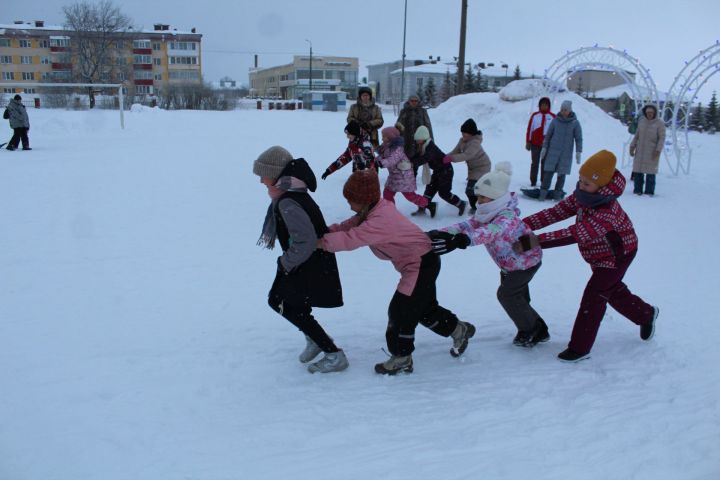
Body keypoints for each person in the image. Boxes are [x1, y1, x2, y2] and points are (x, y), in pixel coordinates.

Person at [318, 170, 475, 375]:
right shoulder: (373, 210)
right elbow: (349, 226)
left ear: (364, 200)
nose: (349, 205)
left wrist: (320, 243)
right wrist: (326, 231)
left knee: (401, 312)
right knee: (423, 309)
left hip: (419, 264)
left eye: (352, 200)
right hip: (420, 262)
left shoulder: (379, 220)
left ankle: (401, 357)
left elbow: (351, 239)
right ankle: (458, 330)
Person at [516, 150, 659, 362]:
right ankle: (646, 314)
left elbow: (572, 234)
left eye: (586, 183)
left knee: (595, 296)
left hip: (617, 256)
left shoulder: (606, 212)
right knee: (611, 290)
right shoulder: (585, 195)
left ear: (602, 186)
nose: (581, 186)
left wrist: (527, 242)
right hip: (598, 254)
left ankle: (579, 348)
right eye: (580, 180)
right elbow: (556, 213)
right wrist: (519, 227)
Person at [428, 162, 548, 347]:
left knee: (507, 295)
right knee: (518, 297)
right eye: (479, 197)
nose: (479, 201)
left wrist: (464, 241)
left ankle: (534, 330)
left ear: (496, 198)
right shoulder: (487, 212)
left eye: (484, 197)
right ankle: (533, 325)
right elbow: (467, 226)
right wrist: (443, 233)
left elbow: (491, 231)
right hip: (510, 264)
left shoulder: (506, 216)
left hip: (525, 263)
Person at [253, 146, 348, 374]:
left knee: (279, 302)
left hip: (306, 263)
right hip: (308, 261)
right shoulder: (292, 193)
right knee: (295, 304)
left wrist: (285, 263)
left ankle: (333, 354)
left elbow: (305, 240)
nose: (261, 181)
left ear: (275, 174)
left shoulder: (287, 201)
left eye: (263, 175)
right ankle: (316, 340)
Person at [376, 126, 436, 214]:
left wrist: (381, 163)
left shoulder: (397, 149)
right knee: (387, 194)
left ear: (390, 137)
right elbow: (382, 156)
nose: (382, 138)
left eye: (384, 136)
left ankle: (429, 204)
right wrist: (375, 160)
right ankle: (391, 212)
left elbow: (392, 159)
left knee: (410, 196)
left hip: (404, 176)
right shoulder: (386, 146)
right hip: (394, 176)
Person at [411, 125, 467, 217]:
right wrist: (409, 161)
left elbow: (424, 158)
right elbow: (417, 156)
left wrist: (412, 163)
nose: (416, 141)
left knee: (444, 193)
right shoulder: (422, 146)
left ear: (423, 138)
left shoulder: (430, 147)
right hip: (438, 171)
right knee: (429, 190)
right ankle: (423, 208)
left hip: (446, 171)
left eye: (418, 139)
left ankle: (461, 204)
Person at [538, 99, 582, 201]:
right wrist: (544, 147)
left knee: (561, 175)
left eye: (565, 110)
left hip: (565, 154)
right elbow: (548, 136)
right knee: (548, 174)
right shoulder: (555, 121)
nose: (563, 112)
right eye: (562, 109)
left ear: (570, 110)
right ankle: (543, 193)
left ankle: (557, 195)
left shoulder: (575, 123)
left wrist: (578, 151)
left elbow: (578, 138)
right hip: (552, 152)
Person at [445, 118, 491, 214]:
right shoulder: (462, 140)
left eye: (465, 133)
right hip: (473, 168)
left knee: (472, 190)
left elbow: (467, 155)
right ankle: (479, 206)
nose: (463, 134)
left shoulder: (475, 143)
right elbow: (455, 152)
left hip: (482, 167)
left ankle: (478, 207)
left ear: (471, 133)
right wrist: (444, 157)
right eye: (462, 132)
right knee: (473, 190)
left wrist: (451, 159)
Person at [629, 104, 665, 196]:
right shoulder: (642, 122)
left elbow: (662, 138)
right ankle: (637, 190)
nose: (649, 114)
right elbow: (637, 136)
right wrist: (632, 146)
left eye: (651, 113)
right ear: (645, 113)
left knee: (650, 174)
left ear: (655, 113)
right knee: (638, 172)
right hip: (640, 151)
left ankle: (649, 192)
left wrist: (658, 150)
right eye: (648, 112)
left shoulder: (659, 123)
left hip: (652, 152)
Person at [525, 97, 555, 187]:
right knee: (535, 163)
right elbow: (530, 129)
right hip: (535, 144)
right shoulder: (535, 115)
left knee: (545, 164)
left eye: (546, 105)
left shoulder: (553, 117)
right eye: (542, 105)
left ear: (549, 106)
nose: (544, 106)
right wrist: (528, 141)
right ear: (539, 105)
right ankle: (533, 181)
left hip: (546, 145)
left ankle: (543, 181)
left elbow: (555, 132)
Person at [395, 94, 433, 160]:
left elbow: (428, 126)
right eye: (412, 101)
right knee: (406, 161)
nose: (414, 102)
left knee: (417, 161)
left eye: (416, 101)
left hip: (419, 141)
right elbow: (398, 125)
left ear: (418, 102)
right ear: (409, 101)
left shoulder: (423, 112)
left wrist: (430, 140)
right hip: (406, 141)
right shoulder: (403, 111)